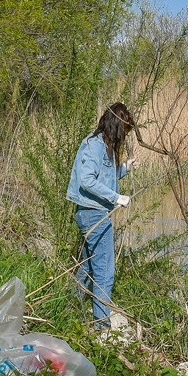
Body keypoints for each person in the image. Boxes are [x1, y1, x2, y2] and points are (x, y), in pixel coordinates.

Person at [66, 102, 137, 329]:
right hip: (93, 214)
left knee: (88, 267)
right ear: (117, 126)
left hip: (93, 213)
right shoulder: (95, 145)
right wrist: (117, 198)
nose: (124, 138)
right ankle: (102, 327)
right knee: (105, 272)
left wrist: (125, 167)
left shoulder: (103, 145)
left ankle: (69, 309)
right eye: (124, 132)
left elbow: (105, 176)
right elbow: (87, 181)